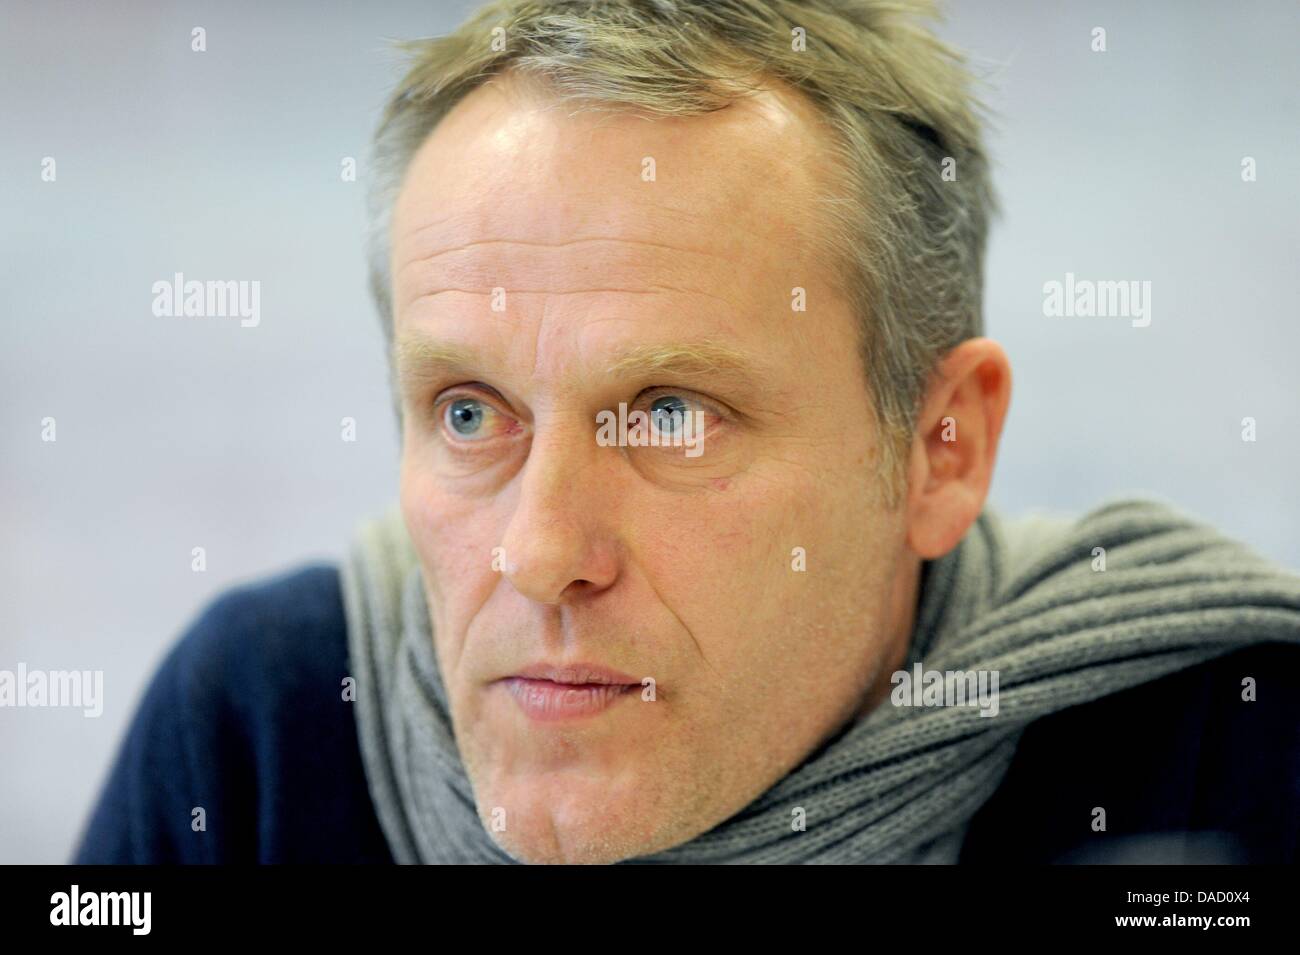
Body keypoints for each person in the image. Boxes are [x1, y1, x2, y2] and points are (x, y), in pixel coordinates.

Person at [74, 0, 1300, 865]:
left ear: (942, 448)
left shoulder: (1223, 737)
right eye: (468, 413)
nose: (541, 552)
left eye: (668, 415)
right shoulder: (263, 735)